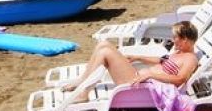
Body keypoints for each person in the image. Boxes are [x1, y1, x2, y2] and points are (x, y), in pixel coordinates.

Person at [70, 22, 201, 103]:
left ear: (185, 40)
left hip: (143, 88)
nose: (173, 40)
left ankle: (84, 94)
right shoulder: (179, 52)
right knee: (104, 44)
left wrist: (151, 75)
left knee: (106, 53)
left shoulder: (190, 59)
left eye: (175, 38)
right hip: (139, 79)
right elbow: (161, 61)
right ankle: (83, 80)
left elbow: (180, 79)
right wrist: (138, 57)